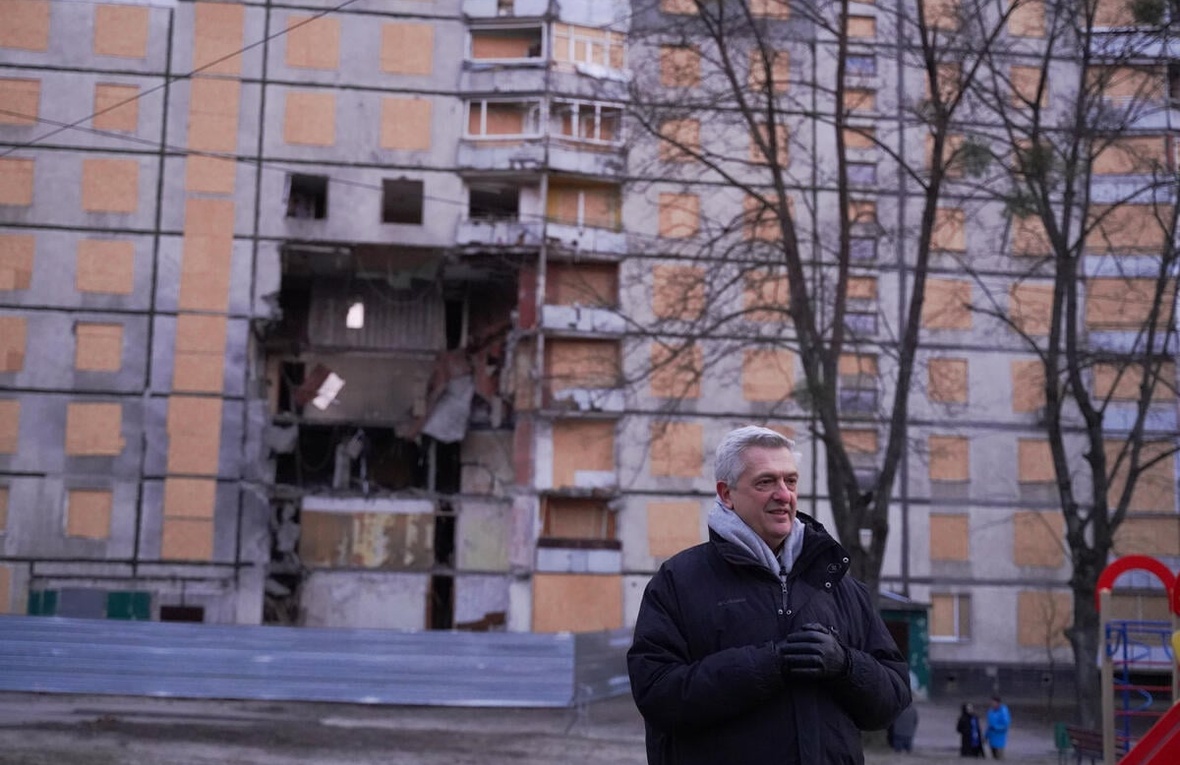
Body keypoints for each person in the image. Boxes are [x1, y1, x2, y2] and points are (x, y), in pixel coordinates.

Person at [627, 425, 912, 764]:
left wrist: (845, 665)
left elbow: (893, 699)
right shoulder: (678, 581)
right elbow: (657, 694)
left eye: (790, 481)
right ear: (727, 493)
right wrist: (769, 664)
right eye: (766, 482)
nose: (783, 494)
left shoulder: (838, 583)